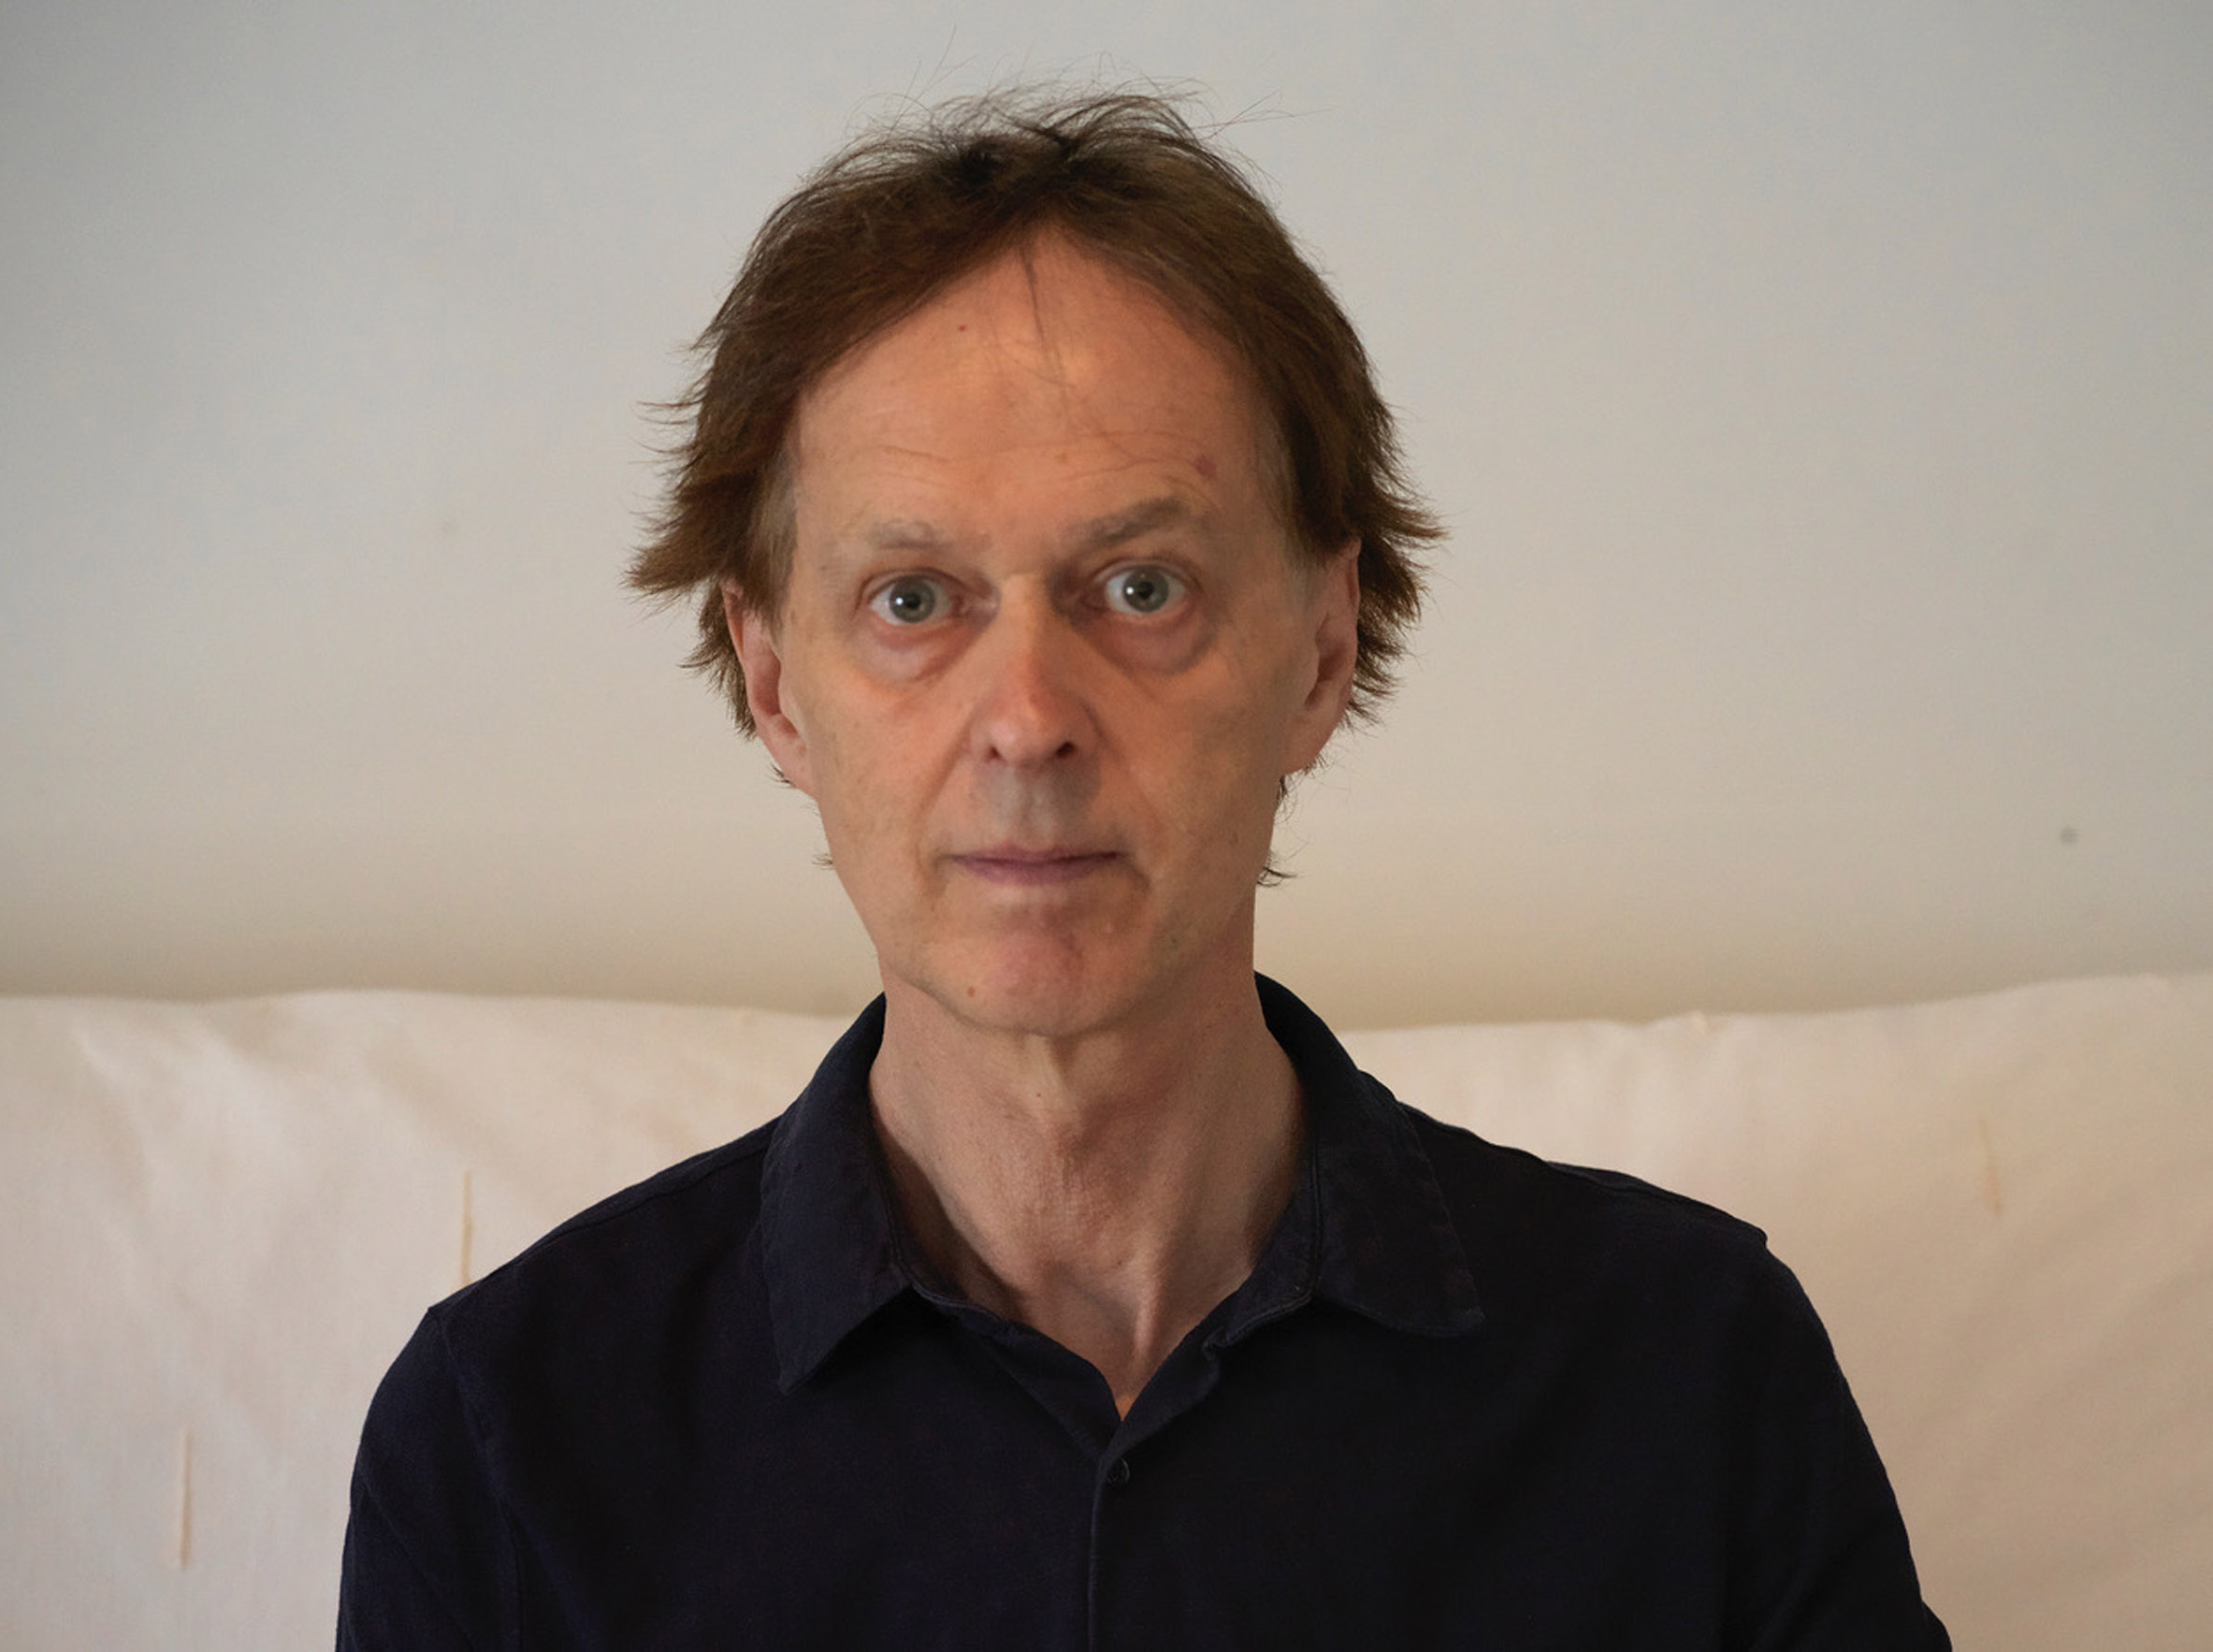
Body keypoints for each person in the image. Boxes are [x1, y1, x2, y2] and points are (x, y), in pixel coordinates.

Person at [339, 88, 1948, 1648]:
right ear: (774, 686)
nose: (1029, 718)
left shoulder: (1691, 1373)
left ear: (1323, 651)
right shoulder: (508, 1444)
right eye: (914, 600)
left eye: (1141, 586)